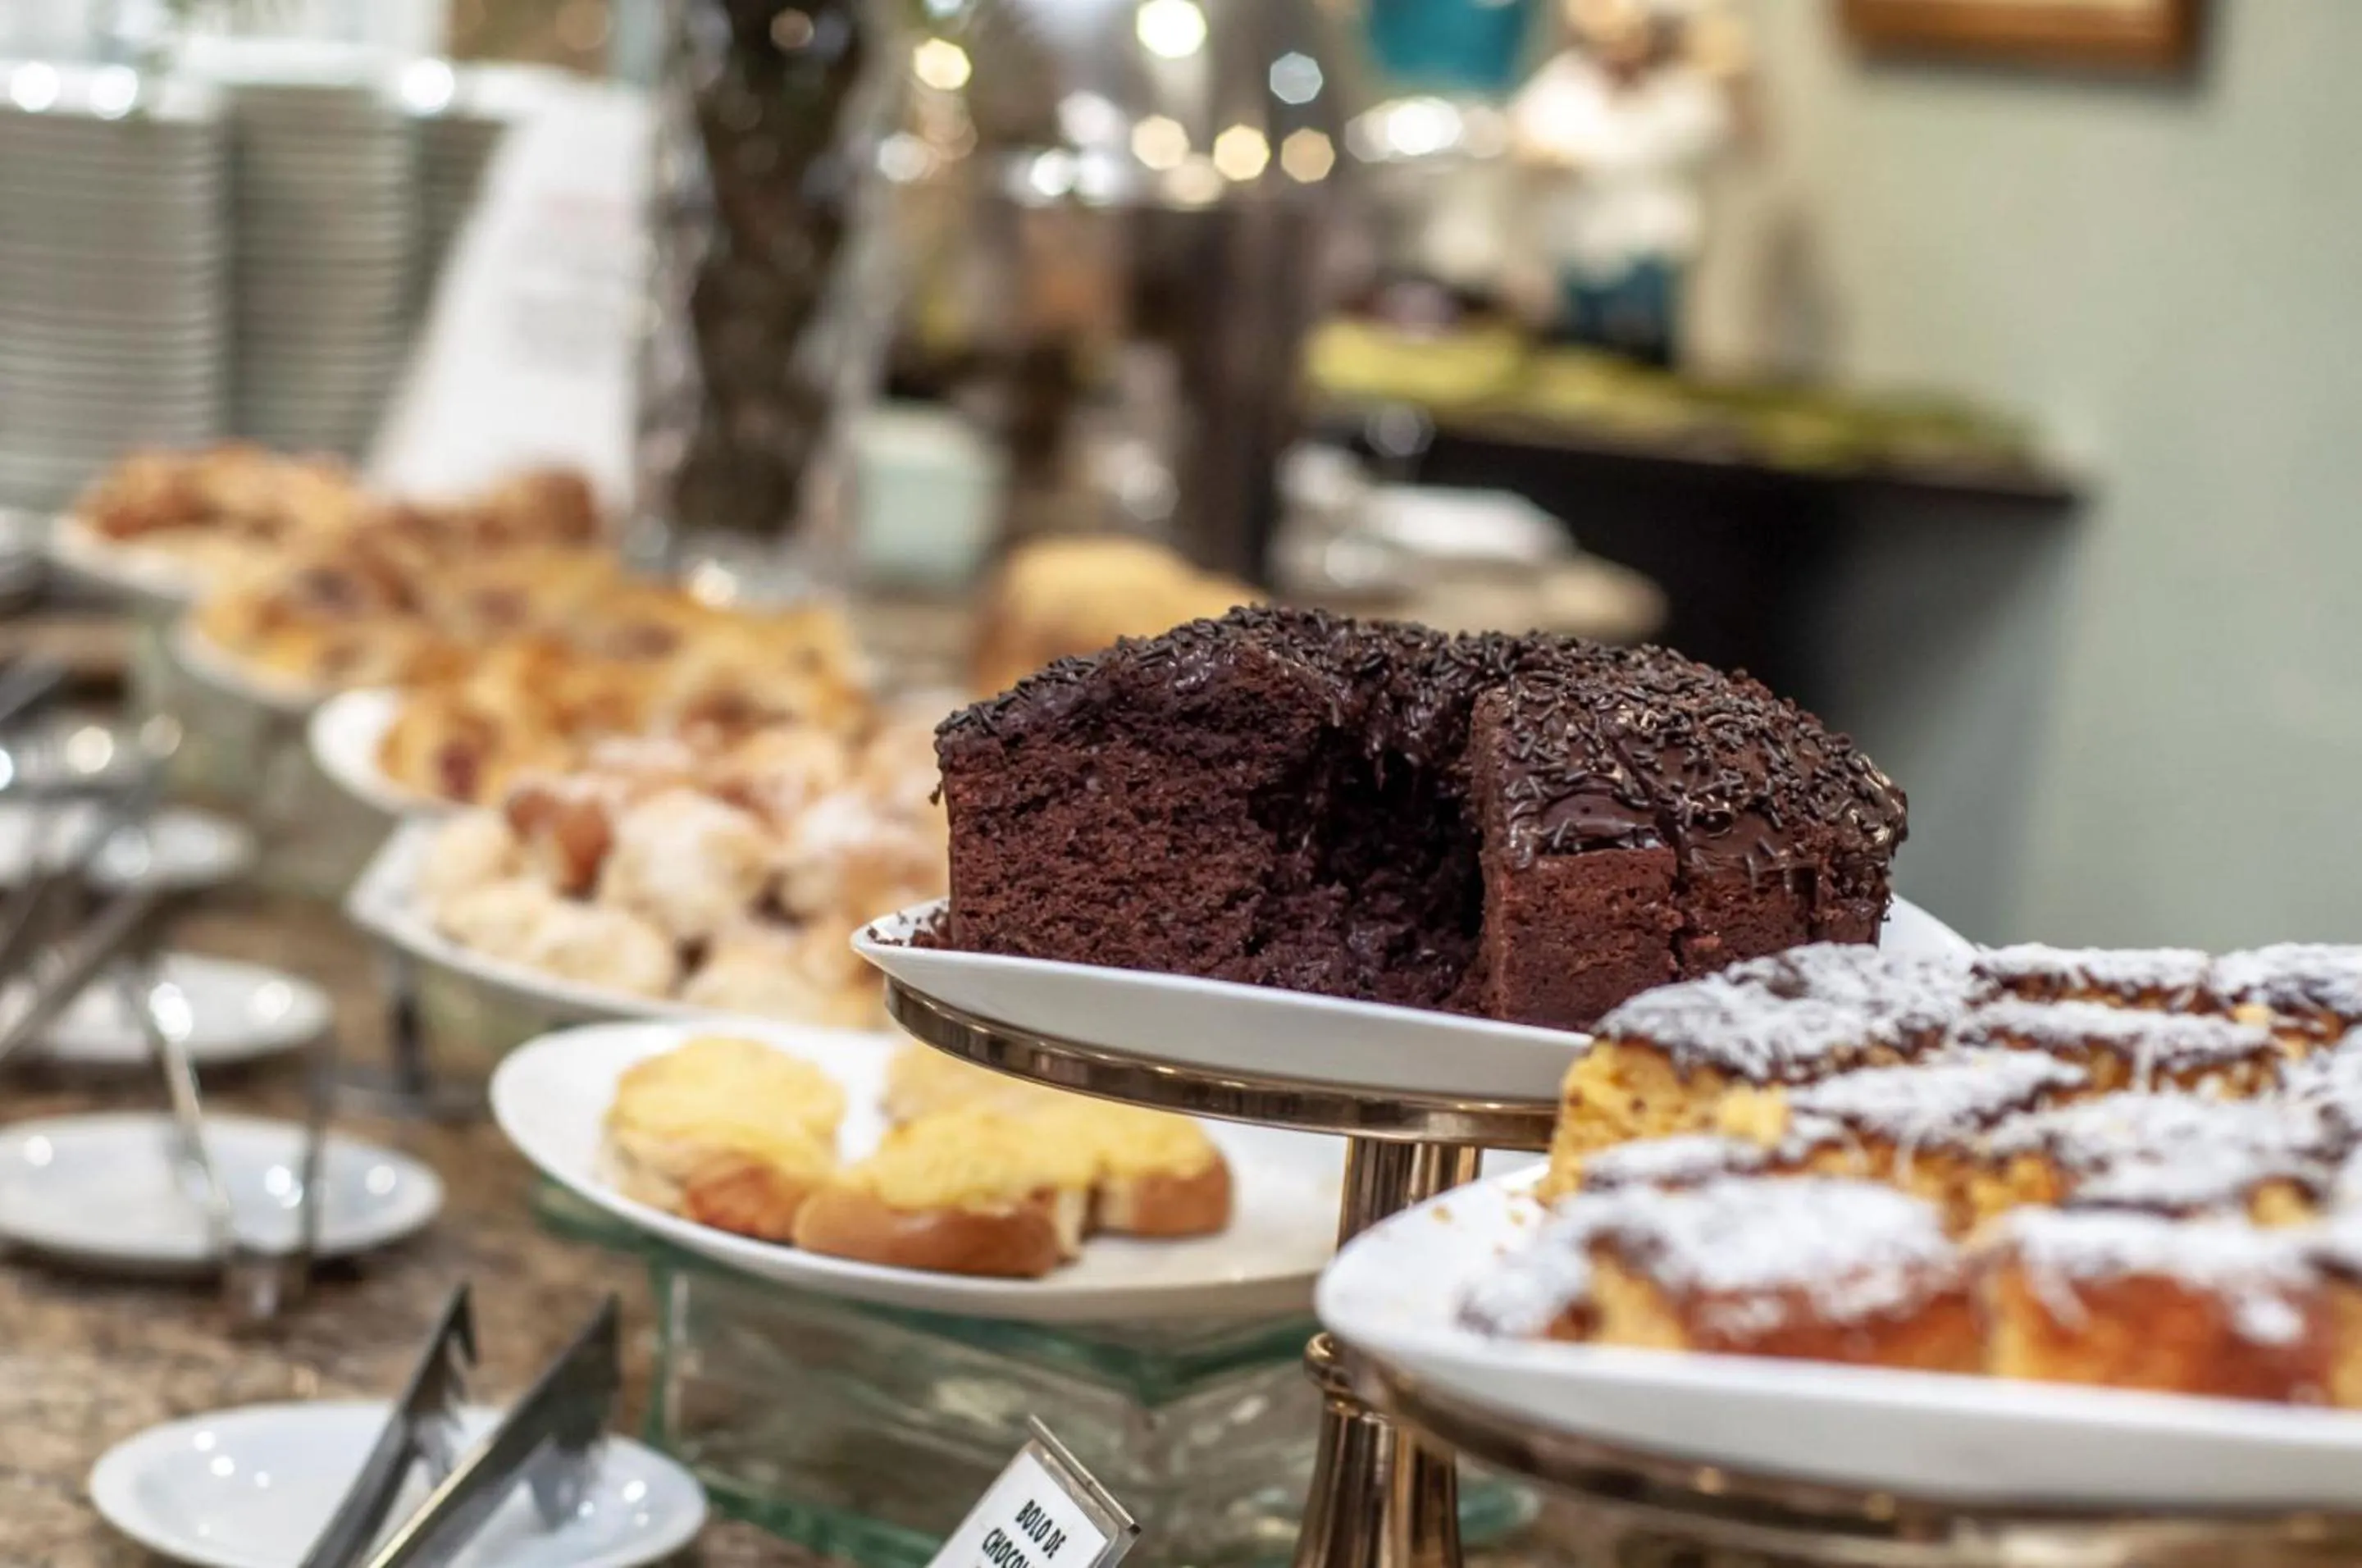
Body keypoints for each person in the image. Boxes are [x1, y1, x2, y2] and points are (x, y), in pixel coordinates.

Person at [1510, 0, 1737, 368]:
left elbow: (1726, 135)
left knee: (1645, 350)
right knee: (1584, 352)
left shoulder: (1677, 92)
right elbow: (1524, 140)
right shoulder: (1566, 85)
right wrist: (1548, 158)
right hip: (1582, 244)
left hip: (1649, 244)